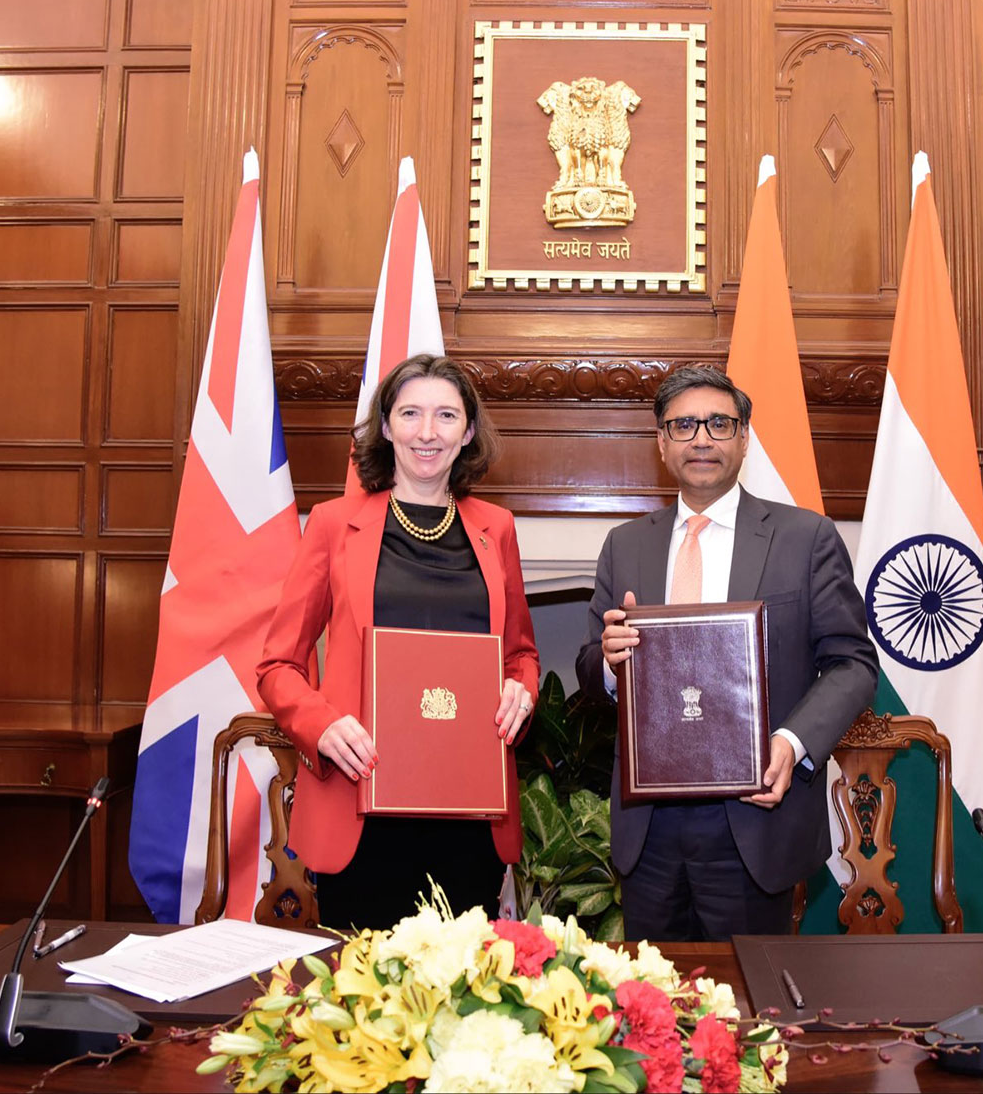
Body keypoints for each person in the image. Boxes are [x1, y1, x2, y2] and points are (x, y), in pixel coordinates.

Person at [576, 364, 877, 940]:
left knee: (749, 1011)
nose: (702, 438)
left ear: (744, 438)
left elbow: (853, 664)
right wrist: (611, 665)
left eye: (719, 423)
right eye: (683, 425)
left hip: (755, 820)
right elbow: (591, 667)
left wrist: (791, 745)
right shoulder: (626, 545)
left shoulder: (805, 537)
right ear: (662, 443)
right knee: (650, 1009)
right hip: (650, 827)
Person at [257, 353, 539, 929]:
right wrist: (322, 725)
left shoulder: (496, 529)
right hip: (361, 806)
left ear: (467, 432)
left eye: (445, 415)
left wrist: (522, 691)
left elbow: (520, 655)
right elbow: (278, 665)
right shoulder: (335, 525)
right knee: (362, 1005)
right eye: (410, 413)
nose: (427, 432)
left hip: (469, 815)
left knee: (465, 1002)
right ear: (386, 428)